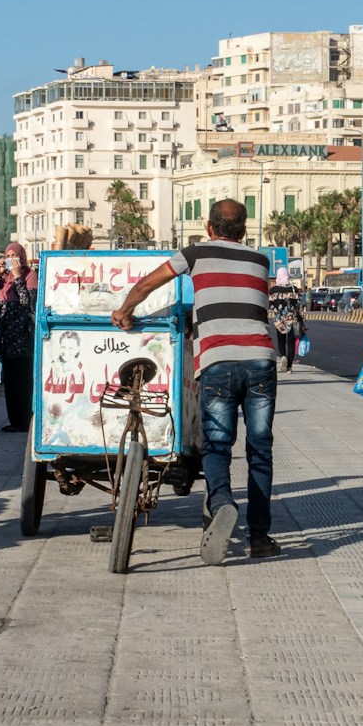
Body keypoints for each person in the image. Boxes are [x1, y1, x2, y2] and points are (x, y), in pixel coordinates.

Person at [112, 198, 279, 564]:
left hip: (218, 361)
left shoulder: (195, 252)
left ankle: (221, 502)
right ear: (245, 230)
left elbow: (147, 284)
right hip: (261, 360)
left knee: (217, 446)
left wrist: (125, 311)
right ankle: (261, 537)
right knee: (260, 451)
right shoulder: (260, 260)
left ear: (209, 227)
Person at [0, 242, 37, 433]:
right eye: (8, 256)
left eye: (14, 256)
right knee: (10, 381)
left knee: (22, 381)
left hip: (23, 338)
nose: (11, 260)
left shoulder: (30, 275)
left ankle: (24, 421)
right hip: (7, 337)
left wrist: (18, 278)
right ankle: (14, 420)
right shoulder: (5, 278)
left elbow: (28, 302)